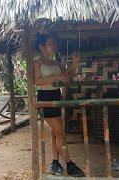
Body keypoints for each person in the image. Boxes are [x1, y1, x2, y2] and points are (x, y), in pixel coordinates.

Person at [34, 34, 85, 177]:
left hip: (56, 95)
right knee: (60, 133)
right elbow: (37, 81)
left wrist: (75, 63)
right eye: (51, 43)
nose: (54, 46)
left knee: (55, 133)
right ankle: (69, 164)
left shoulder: (55, 62)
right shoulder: (37, 63)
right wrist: (56, 77)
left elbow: (68, 75)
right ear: (42, 46)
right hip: (45, 98)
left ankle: (55, 163)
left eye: (54, 43)